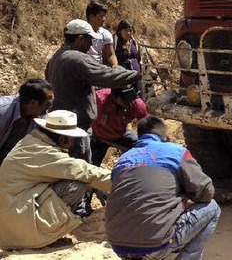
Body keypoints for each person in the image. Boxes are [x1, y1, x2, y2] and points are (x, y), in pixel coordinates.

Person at [106, 116, 220, 260]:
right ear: (165, 136)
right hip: (155, 244)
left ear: (139, 136)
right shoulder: (176, 152)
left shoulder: (123, 160)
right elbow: (206, 192)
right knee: (212, 208)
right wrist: (184, 199)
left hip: (119, 246)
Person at [0, 110, 111, 250]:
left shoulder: (31, 142)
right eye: (71, 138)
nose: (72, 143)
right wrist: (125, 181)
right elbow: (86, 172)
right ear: (63, 138)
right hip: (20, 225)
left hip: (9, 224)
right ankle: (46, 239)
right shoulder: (46, 153)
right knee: (75, 186)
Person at [45, 19, 142, 163]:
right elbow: (106, 76)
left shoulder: (57, 57)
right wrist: (136, 75)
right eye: (89, 40)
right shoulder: (78, 59)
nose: (91, 45)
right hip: (75, 125)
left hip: (60, 121)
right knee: (79, 164)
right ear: (80, 38)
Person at [0, 79, 54, 164]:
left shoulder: (40, 116)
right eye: (47, 105)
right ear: (33, 103)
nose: (49, 109)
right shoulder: (3, 112)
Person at [91, 87, 149, 167]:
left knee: (142, 147)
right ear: (115, 97)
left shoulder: (136, 103)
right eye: (125, 100)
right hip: (97, 137)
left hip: (121, 135)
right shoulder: (99, 98)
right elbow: (84, 114)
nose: (128, 103)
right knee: (91, 164)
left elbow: (149, 124)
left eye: (130, 100)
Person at [114, 19, 144, 96]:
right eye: (126, 30)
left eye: (130, 30)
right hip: (122, 77)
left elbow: (138, 58)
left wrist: (140, 71)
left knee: (140, 98)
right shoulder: (115, 42)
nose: (128, 33)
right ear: (120, 30)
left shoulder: (134, 42)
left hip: (135, 75)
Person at [86, 0, 118, 67]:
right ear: (91, 17)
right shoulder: (81, 33)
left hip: (99, 68)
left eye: (104, 16)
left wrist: (114, 65)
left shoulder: (105, 34)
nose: (104, 19)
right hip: (83, 66)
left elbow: (110, 54)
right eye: (101, 16)